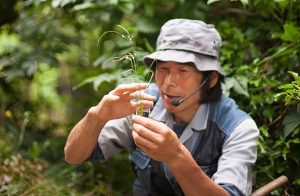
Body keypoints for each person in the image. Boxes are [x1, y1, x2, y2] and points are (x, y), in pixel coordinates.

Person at [64, 19, 259, 196]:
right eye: (163, 69)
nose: (168, 83)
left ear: (210, 80)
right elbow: (74, 156)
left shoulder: (237, 128)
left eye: (183, 71)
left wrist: (176, 157)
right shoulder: (141, 103)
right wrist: (96, 116)